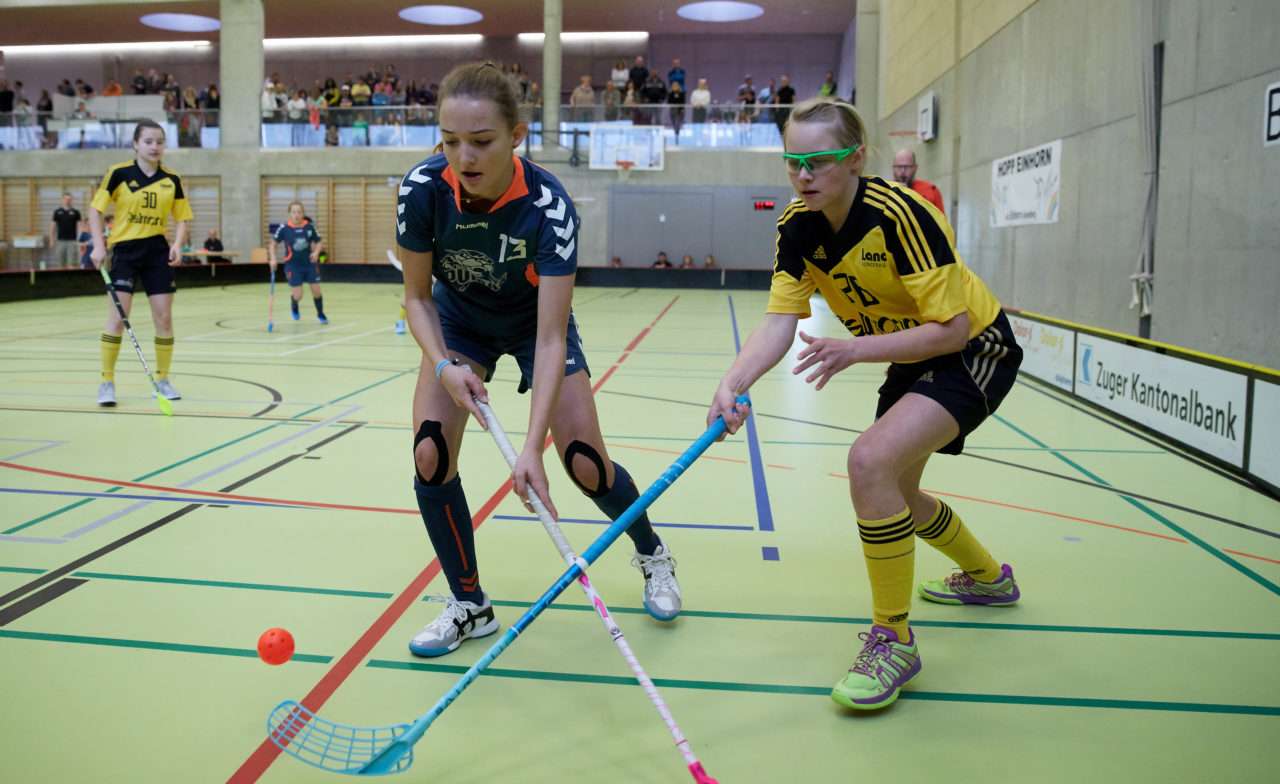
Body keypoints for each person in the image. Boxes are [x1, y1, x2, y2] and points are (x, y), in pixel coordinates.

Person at [705, 97, 1023, 712]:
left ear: (856, 159)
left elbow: (953, 330)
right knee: (896, 491)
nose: (803, 174)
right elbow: (780, 321)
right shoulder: (796, 225)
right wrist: (733, 381)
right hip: (910, 352)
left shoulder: (902, 214)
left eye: (818, 161)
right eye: (793, 161)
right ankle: (989, 578)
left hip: (974, 349)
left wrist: (856, 348)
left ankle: (894, 640)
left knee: (868, 462)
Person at [396, 61, 683, 657]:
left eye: (481, 141)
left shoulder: (550, 207)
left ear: (517, 135)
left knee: (584, 464)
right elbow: (418, 297)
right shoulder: (422, 190)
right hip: (457, 322)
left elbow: (552, 337)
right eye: (450, 141)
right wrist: (446, 367)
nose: (463, 157)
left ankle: (653, 553)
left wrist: (530, 448)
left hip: (533, 325)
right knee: (430, 453)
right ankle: (470, 606)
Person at [89, 119, 192, 407]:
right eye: (148, 141)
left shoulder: (172, 179)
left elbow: (182, 218)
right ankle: (106, 382)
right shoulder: (119, 173)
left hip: (157, 253)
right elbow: (96, 210)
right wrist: (99, 245)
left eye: (159, 141)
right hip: (125, 252)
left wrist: (177, 243)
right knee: (117, 320)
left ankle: (162, 379)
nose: (155, 146)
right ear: (135, 144)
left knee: (164, 319)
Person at [269, 202, 327, 323]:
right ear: (290, 213)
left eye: (299, 212)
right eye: (294, 212)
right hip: (293, 266)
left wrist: (316, 253)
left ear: (303, 213)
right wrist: (273, 259)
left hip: (309, 264)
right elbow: (273, 245)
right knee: (298, 295)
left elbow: (319, 242)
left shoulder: (309, 227)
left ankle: (320, 314)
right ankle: (294, 304)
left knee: (317, 291)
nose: (296, 215)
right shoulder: (284, 228)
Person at [892, 148, 946, 216]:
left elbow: (941, 223)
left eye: (907, 167)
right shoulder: (884, 189)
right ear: (893, 168)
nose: (903, 170)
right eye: (899, 167)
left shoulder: (932, 190)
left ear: (915, 167)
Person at [49, 192, 82, 268]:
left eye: (70, 199)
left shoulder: (76, 212)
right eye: (66, 199)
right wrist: (51, 240)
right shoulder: (57, 212)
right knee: (61, 263)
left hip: (72, 241)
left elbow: (79, 226)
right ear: (62, 199)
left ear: (72, 200)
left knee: (72, 263)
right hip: (60, 240)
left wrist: (80, 239)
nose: (68, 201)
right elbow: (52, 227)